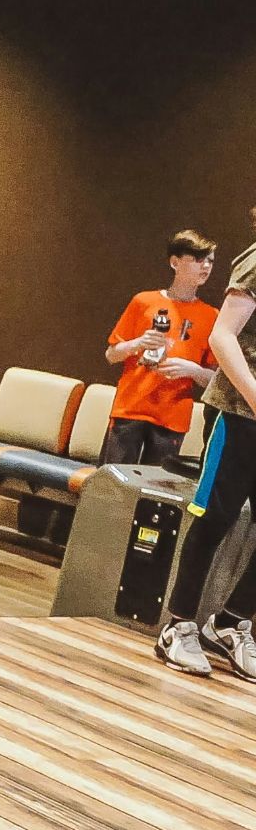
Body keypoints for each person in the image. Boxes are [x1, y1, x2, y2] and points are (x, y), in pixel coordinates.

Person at [155, 216, 256, 680]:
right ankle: (178, 626)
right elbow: (222, 336)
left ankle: (232, 625)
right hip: (237, 415)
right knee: (213, 516)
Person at [101, 230, 219, 466]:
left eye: (210, 260)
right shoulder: (144, 301)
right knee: (112, 489)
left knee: (153, 495)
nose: (205, 266)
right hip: (130, 409)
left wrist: (192, 370)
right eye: (197, 259)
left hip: (172, 419)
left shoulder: (212, 316)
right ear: (175, 262)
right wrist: (137, 344)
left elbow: (216, 380)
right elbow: (111, 355)